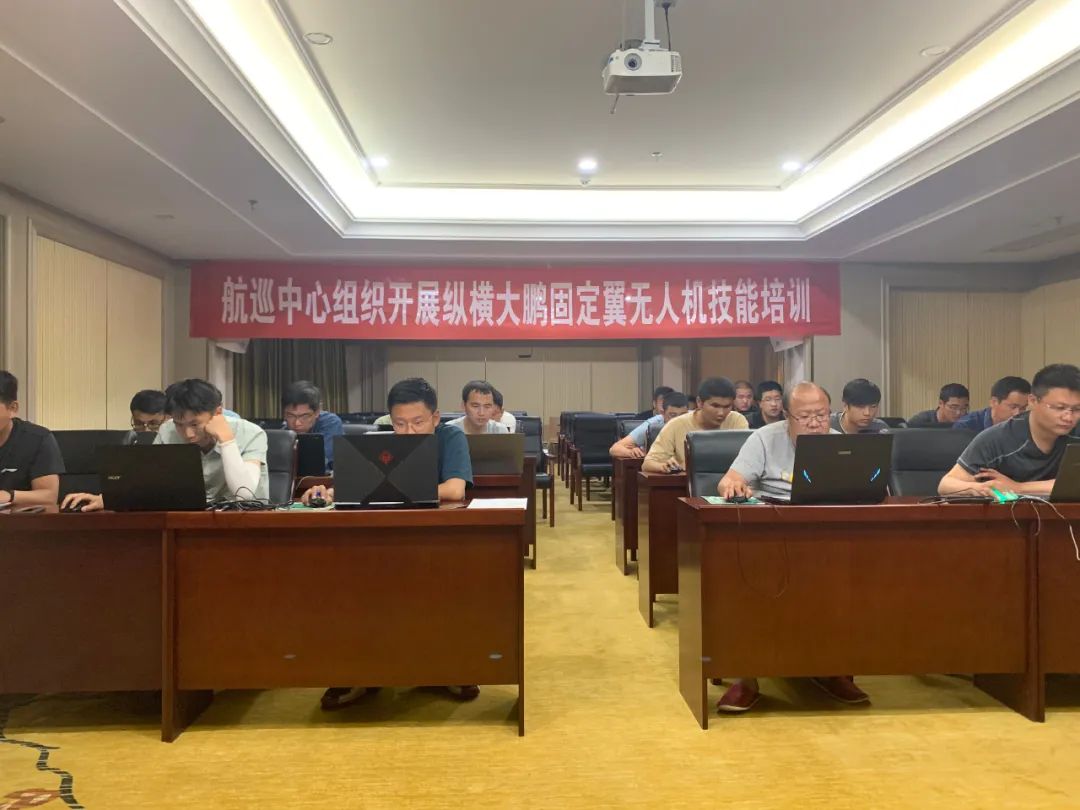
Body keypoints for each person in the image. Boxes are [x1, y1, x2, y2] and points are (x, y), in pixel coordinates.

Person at [301, 377, 476, 709]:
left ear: (435, 417)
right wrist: (325, 493)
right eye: (399, 423)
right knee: (350, 589)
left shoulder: (450, 437)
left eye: (417, 422)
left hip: (436, 539)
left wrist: (386, 491)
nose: (407, 432)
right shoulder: (380, 440)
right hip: (382, 538)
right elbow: (351, 485)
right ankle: (359, 672)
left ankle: (445, 668)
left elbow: (454, 490)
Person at [716, 381, 869, 711]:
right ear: (787, 416)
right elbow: (730, 479)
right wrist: (734, 485)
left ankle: (834, 669)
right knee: (746, 585)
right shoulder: (764, 439)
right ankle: (747, 678)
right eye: (805, 416)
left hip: (828, 538)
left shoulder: (841, 445)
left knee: (851, 587)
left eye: (822, 415)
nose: (815, 424)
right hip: (771, 535)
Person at [63, 379, 269, 511]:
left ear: (217, 413)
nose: (188, 434)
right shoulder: (168, 430)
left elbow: (244, 494)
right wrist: (107, 498)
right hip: (186, 521)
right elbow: (149, 481)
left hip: (244, 522)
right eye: (179, 424)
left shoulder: (251, 433)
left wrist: (226, 440)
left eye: (195, 424)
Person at [938, 364, 1080, 497]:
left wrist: (1018, 487)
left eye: (1077, 409)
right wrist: (981, 488)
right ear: (1033, 401)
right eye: (1059, 408)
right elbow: (946, 485)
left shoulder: (1076, 432)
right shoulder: (998, 438)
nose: (1068, 417)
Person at [642, 378, 748, 473]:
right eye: (715, 406)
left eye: (727, 406)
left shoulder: (737, 421)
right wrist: (664, 466)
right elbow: (648, 464)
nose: (721, 413)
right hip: (686, 485)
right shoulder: (676, 424)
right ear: (699, 402)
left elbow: (747, 460)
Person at [0, 371, 64, 508]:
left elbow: (49, 497)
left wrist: (9, 496)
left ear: (12, 408)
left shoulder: (38, 439)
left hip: (21, 520)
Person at [282, 380, 344, 471]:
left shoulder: (331, 423)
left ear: (317, 412)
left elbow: (319, 462)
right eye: (291, 416)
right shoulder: (284, 430)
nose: (297, 423)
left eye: (304, 416)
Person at [609, 391, 689, 459]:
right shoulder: (651, 425)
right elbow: (614, 449)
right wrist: (631, 452)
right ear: (663, 413)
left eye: (683, 415)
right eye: (673, 415)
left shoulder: (693, 419)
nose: (678, 420)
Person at [952, 376, 1030, 433]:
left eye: (1023, 408)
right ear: (994, 402)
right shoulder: (966, 426)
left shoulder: (1026, 424)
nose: (1018, 413)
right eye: (1013, 407)